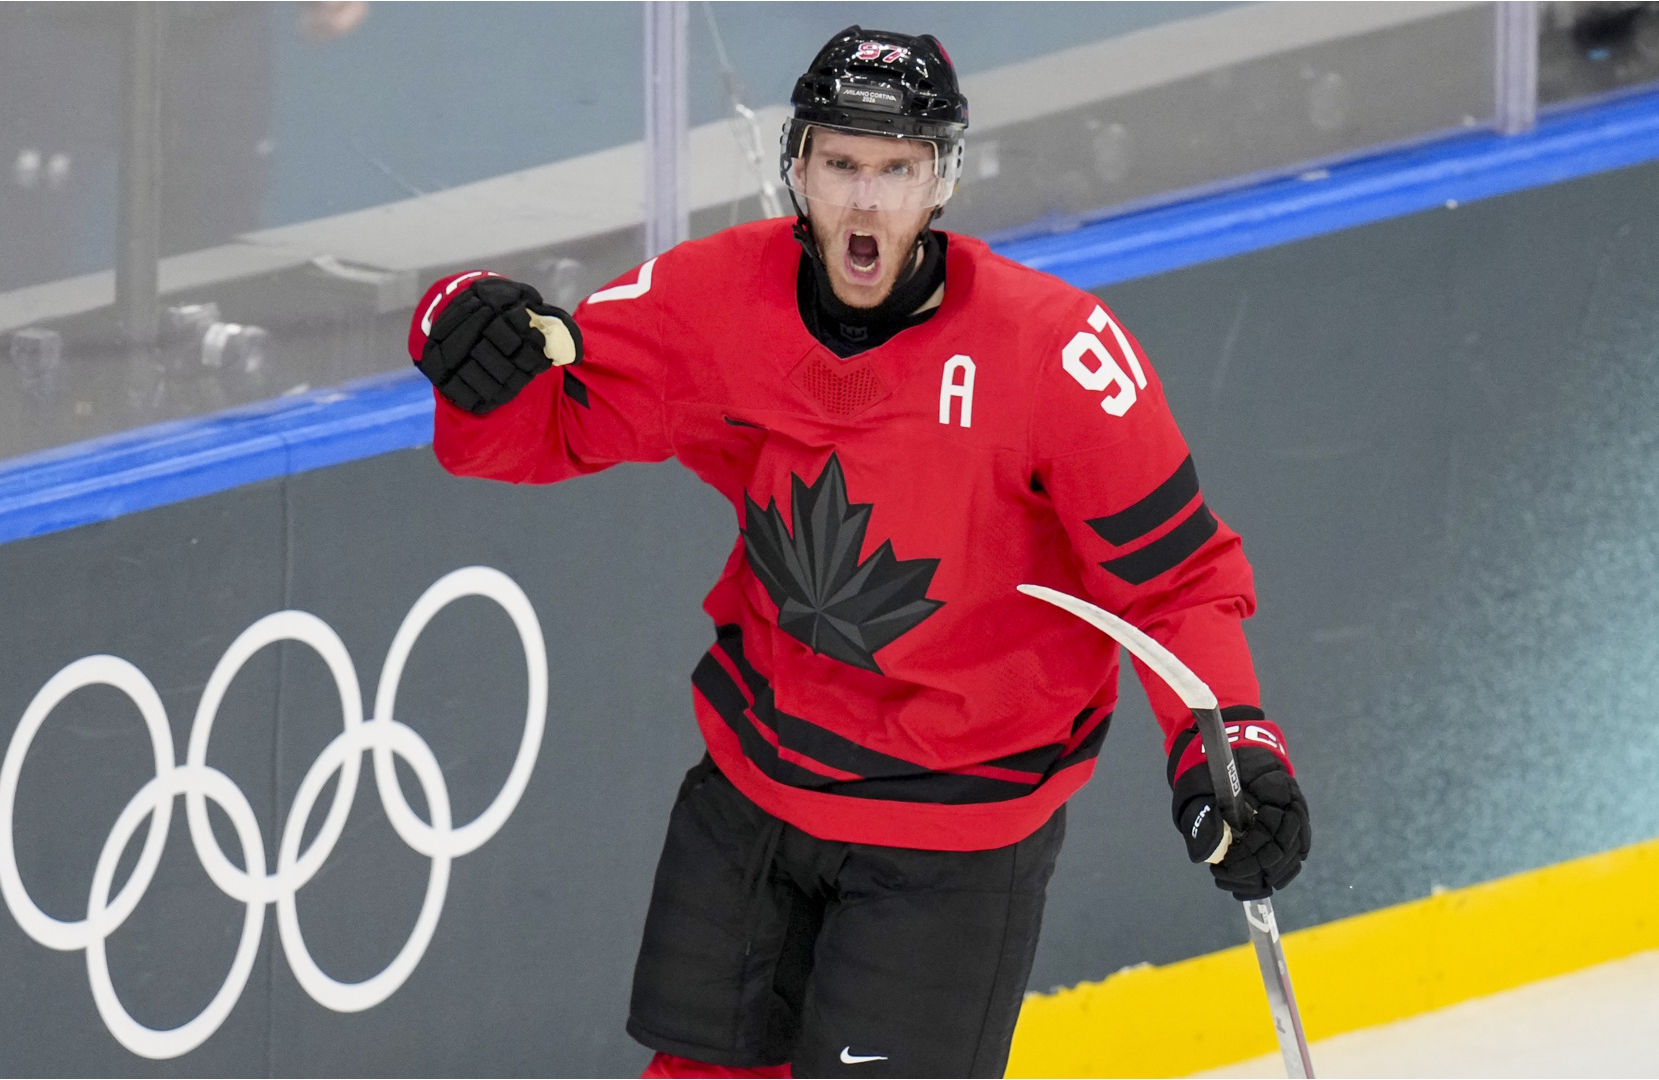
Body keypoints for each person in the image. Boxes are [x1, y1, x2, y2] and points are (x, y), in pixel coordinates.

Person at [406, 27, 1311, 1080]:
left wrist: (1233, 743)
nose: (868, 202)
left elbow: (1178, 580)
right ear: (795, 168)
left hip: (953, 829)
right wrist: (463, 342)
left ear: (945, 182)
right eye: (841, 164)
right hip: (755, 786)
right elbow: (542, 425)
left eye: (900, 169)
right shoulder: (710, 303)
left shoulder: (1055, 355)